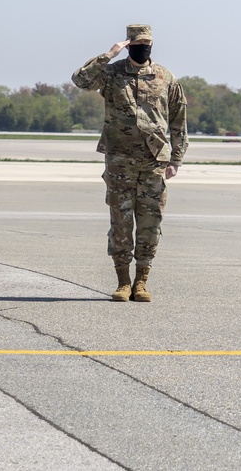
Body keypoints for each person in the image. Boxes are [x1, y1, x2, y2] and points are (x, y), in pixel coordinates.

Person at [72, 24, 188, 302]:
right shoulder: (111, 74)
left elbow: (178, 119)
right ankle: (123, 282)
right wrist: (108, 55)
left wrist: (176, 159)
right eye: (137, 43)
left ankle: (142, 281)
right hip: (120, 162)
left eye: (147, 43)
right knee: (121, 223)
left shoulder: (165, 77)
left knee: (150, 223)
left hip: (154, 162)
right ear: (128, 44)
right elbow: (80, 80)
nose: (143, 48)